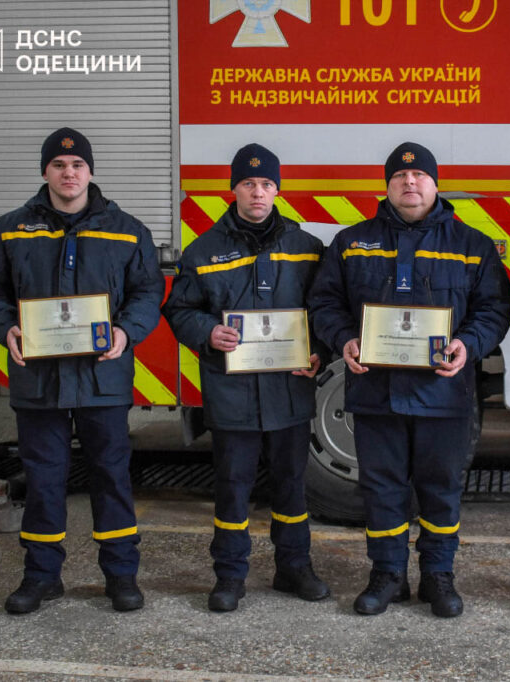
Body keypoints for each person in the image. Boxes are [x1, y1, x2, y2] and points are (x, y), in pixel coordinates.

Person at [308, 142, 510, 618]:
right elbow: (325, 303)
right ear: (387, 186)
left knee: (440, 486)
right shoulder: (352, 242)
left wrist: (469, 344)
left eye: (419, 175)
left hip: (444, 394)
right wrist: (344, 340)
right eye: (400, 176)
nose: (410, 182)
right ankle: (387, 575)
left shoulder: (472, 246)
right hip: (377, 394)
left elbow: (495, 308)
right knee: (381, 488)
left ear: (435, 183)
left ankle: (438, 576)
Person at [0, 128, 164, 613]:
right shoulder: (10, 228)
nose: (69, 173)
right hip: (39, 381)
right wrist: (8, 329)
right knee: (44, 479)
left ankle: (120, 577)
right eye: (59, 165)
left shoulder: (126, 229)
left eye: (77, 165)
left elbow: (147, 291)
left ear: (90, 171)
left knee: (111, 475)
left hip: (104, 379)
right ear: (45, 172)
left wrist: (125, 333)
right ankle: (40, 577)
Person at [162, 143, 330, 612]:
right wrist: (206, 331)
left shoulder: (306, 248)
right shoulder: (203, 251)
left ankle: (294, 568)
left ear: (278, 190)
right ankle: (230, 576)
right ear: (233, 188)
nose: (258, 192)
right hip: (232, 391)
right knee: (232, 486)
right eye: (249, 183)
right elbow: (179, 309)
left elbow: (325, 310)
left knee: (292, 484)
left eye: (267, 184)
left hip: (289, 389)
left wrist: (317, 351)